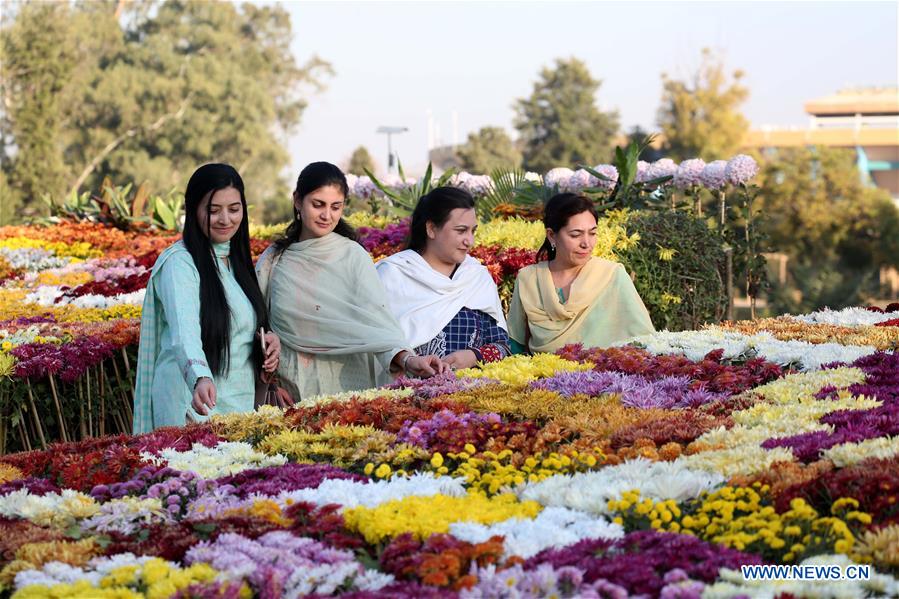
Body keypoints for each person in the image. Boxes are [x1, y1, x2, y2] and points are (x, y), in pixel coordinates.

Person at [256, 162, 446, 400]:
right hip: (290, 390)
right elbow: (256, 327)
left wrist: (408, 360)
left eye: (336, 207)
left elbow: (377, 323)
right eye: (318, 205)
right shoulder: (274, 260)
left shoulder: (353, 256)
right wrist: (272, 386)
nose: (327, 215)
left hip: (347, 389)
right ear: (297, 200)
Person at [134, 164, 281, 433]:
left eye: (234, 209)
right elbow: (184, 331)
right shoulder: (180, 263)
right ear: (193, 210)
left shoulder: (235, 262)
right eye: (214, 210)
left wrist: (267, 342)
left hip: (236, 404)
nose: (225, 219)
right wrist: (199, 376)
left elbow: (241, 326)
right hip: (191, 402)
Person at [376, 187, 510, 369]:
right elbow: (373, 340)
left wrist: (474, 356)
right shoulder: (392, 274)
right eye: (461, 231)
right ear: (431, 229)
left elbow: (503, 347)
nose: (469, 241)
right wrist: (407, 360)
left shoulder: (477, 277)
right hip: (403, 393)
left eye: (473, 231)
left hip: (472, 393)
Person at [507, 192, 654, 354]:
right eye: (575, 235)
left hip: (605, 377)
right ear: (551, 235)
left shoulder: (611, 276)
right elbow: (516, 344)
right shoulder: (529, 279)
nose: (586, 243)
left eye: (592, 233)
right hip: (540, 376)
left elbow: (645, 341)